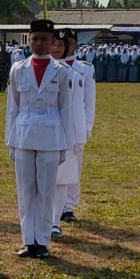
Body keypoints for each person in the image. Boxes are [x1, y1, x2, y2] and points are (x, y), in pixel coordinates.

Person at [4, 19, 76, 258]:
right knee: (25, 191)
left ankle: (42, 241)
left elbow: (66, 109)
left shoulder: (62, 72)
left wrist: (66, 145)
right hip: (24, 134)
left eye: (44, 39)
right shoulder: (18, 69)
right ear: (29, 40)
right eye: (35, 38)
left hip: (51, 135)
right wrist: (10, 140)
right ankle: (28, 240)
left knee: (46, 191)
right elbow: (12, 108)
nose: (39, 43)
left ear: (53, 42)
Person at [51, 29, 94, 236]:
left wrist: (86, 128)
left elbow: (89, 102)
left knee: (73, 168)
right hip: (55, 127)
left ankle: (69, 206)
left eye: (67, 43)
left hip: (76, 126)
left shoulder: (84, 69)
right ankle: (56, 209)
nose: (61, 47)